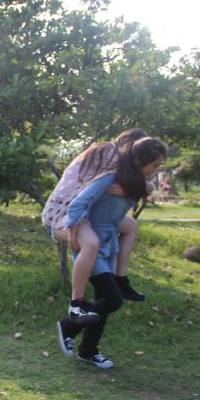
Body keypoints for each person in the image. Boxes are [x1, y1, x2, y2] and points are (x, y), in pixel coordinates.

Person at [56, 137, 167, 368]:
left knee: (104, 299)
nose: (156, 170)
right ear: (139, 160)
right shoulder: (110, 177)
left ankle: (88, 351)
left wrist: (145, 186)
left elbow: (147, 188)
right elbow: (78, 204)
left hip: (108, 244)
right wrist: (74, 234)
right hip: (93, 244)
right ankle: (68, 325)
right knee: (112, 299)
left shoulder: (132, 181)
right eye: (155, 165)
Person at [43, 129, 149, 324]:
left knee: (130, 226)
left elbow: (140, 185)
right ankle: (76, 304)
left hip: (87, 212)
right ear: (129, 145)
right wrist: (73, 232)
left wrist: (134, 187)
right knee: (91, 243)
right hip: (65, 212)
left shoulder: (115, 157)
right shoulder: (110, 153)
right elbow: (92, 191)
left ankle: (121, 279)